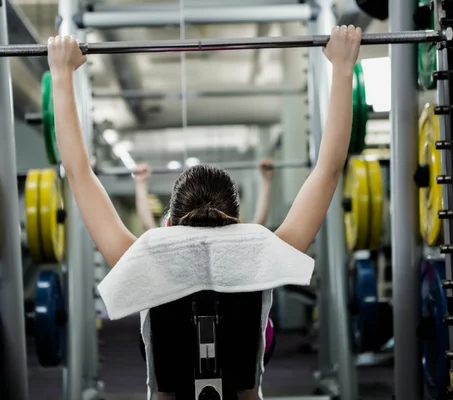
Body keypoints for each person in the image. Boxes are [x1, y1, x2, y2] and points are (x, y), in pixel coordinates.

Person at [48, 24, 361, 398]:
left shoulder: (144, 258)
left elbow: (79, 174)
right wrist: (342, 69)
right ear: (238, 221)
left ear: (171, 223)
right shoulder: (259, 252)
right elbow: (328, 169)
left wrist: (61, 74)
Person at [133, 159, 274, 231]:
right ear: (238, 224)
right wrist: (266, 181)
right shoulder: (246, 257)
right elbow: (259, 224)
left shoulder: (161, 259)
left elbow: (148, 227)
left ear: (169, 224)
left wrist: (140, 184)